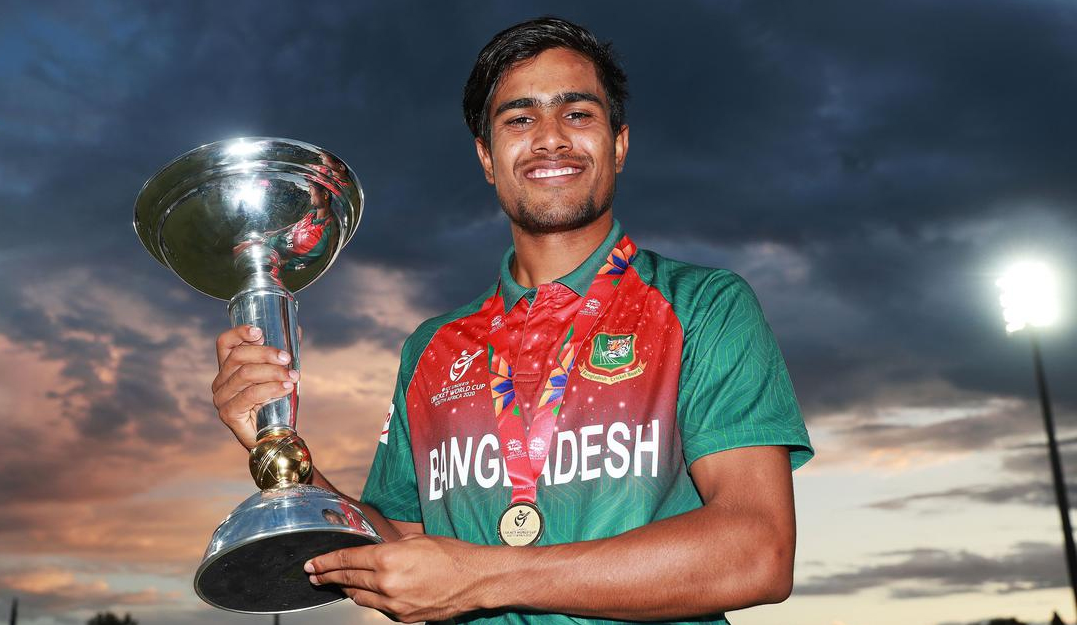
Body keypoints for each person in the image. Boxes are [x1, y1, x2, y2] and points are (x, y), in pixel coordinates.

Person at [210, 16, 813, 624]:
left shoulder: (704, 306)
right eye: (519, 119)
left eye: (577, 114)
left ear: (619, 145)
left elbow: (757, 551)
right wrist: (277, 448)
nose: (550, 138)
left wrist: (484, 577)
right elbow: (401, 550)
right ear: (487, 157)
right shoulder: (432, 349)